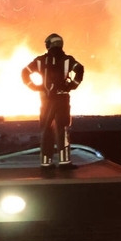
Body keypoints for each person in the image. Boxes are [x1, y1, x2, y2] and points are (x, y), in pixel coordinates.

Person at [21, 33, 84, 168]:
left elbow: (24, 72)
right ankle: (64, 161)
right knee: (63, 128)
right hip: (62, 99)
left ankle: (45, 162)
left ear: (49, 44)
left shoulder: (40, 61)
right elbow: (80, 69)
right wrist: (72, 85)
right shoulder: (68, 60)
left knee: (45, 129)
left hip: (46, 100)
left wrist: (34, 87)